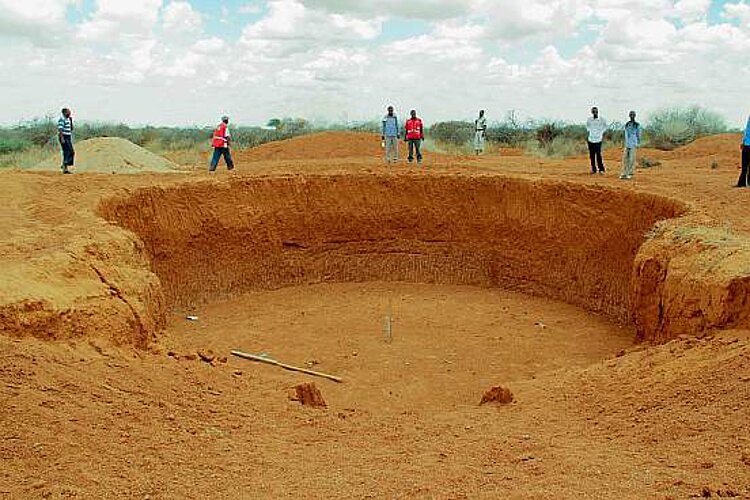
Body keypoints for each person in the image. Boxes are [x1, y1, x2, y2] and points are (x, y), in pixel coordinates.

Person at [619, 111, 641, 180]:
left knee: (632, 159)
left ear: (635, 116)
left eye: (633, 115)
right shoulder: (627, 124)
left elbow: (639, 135)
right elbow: (625, 134)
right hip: (627, 143)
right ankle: (624, 173)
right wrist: (624, 143)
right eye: (631, 115)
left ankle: (630, 173)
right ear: (629, 116)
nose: (632, 116)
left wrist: (638, 143)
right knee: (625, 159)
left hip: (633, 143)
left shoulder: (637, 125)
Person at [586, 106, 607, 174]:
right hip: (591, 139)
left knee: (598, 155)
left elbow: (605, 127)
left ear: (597, 112)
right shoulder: (589, 119)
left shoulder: (601, 119)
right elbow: (587, 126)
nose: (595, 113)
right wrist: (590, 132)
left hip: (598, 139)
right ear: (592, 112)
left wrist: (601, 133)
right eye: (593, 111)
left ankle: (601, 169)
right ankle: (593, 169)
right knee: (591, 155)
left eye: (596, 111)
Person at [57, 108, 74, 174]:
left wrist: (71, 121)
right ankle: (64, 165)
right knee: (68, 151)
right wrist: (62, 138)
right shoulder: (62, 119)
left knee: (69, 152)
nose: (69, 113)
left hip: (68, 136)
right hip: (63, 136)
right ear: (64, 113)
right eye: (68, 112)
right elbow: (60, 129)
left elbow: (71, 129)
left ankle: (65, 166)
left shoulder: (68, 119)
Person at [737, 115, 750, 187]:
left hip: (747, 145)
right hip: (746, 145)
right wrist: (743, 141)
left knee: (746, 166)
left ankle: (745, 183)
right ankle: (742, 183)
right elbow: (746, 132)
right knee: (744, 166)